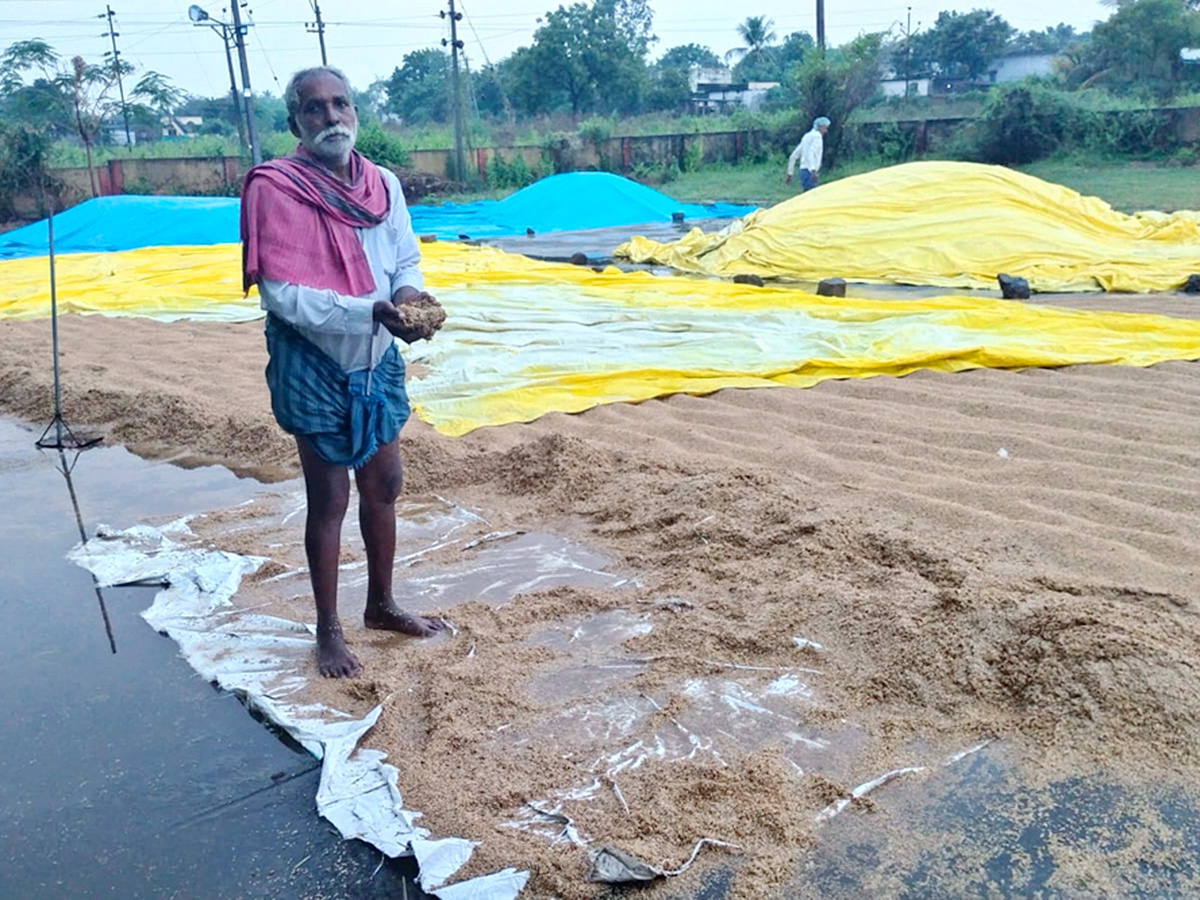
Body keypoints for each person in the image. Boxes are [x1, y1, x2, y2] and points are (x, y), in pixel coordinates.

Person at [240, 65, 445, 678]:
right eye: (315, 108)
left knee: (383, 484)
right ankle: (328, 631)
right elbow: (281, 295)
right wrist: (370, 310)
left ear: (356, 111)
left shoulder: (382, 184)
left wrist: (408, 300)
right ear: (295, 122)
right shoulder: (274, 189)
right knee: (327, 496)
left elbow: (404, 258)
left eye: (341, 105)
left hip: (377, 354)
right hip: (316, 357)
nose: (331, 117)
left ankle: (380, 604)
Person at [785, 116, 831, 192]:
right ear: (820, 127)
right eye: (825, 128)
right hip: (809, 172)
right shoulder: (817, 136)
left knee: (806, 195)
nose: (825, 131)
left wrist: (790, 173)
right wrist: (813, 170)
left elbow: (793, 156)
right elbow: (811, 152)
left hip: (803, 171)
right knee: (813, 196)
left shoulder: (806, 136)